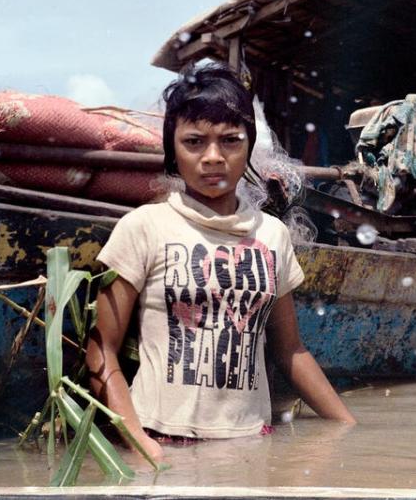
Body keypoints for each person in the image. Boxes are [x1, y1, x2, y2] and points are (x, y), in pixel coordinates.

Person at [86, 64, 355, 464]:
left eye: (230, 140)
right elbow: (101, 348)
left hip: (253, 444)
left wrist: (349, 431)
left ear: (249, 146)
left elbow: (291, 352)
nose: (213, 157)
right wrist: (140, 445)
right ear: (172, 150)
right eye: (194, 141)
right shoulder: (145, 227)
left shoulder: (273, 235)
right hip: (163, 442)